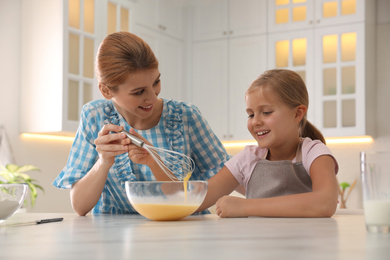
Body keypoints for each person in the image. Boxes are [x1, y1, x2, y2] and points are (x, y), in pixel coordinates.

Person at [53, 32, 230, 216]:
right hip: (115, 237)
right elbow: (80, 206)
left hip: (182, 233)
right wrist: (103, 162)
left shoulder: (185, 117)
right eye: (139, 92)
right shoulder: (94, 116)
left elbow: (231, 176)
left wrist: (155, 162)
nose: (153, 97)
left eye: (156, 82)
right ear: (106, 90)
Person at [196, 69, 339, 218]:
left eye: (266, 112)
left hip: (305, 241)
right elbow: (199, 199)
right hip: (259, 241)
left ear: (297, 113)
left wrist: (244, 207)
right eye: (251, 114)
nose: (255, 122)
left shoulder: (314, 153)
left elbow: (325, 202)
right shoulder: (248, 157)